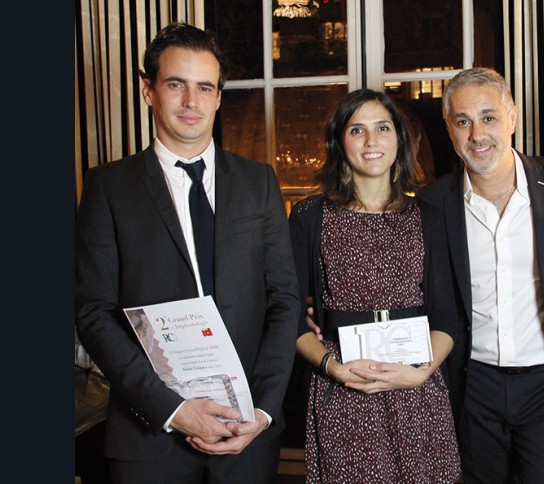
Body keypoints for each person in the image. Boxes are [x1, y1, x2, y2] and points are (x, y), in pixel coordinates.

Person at [75, 21, 300, 483]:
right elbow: (93, 312)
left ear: (218, 97)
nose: (191, 102)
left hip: (247, 436)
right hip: (148, 438)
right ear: (148, 90)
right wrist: (171, 409)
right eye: (176, 84)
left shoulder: (258, 182)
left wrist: (262, 409)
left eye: (205, 87)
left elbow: (284, 300)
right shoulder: (108, 188)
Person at [417, 67, 544, 483]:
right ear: (449, 129)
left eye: (489, 117)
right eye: (463, 121)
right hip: (472, 386)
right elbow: (417, 287)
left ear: (512, 116)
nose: (477, 134)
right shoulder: (432, 202)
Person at [289, 88, 462, 483]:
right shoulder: (309, 216)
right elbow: (290, 317)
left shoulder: (429, 217)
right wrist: (333, 368)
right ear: (339, 142)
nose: (371, 141)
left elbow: (447, 317)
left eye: (382, 128)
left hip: (415, 388)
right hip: (343, 388)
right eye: (357, 130)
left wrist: (421, 373)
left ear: (399, 139)